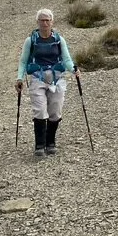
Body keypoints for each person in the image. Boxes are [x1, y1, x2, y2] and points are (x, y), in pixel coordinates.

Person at [15, 9, 79, 156]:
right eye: (42, 20)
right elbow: (23, 61)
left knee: (55, 112)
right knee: (40, 110)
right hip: (37, 79)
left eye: (47, 20)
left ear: (52, 22)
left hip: (57, 79)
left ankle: (51, 143)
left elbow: (66, 59)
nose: (45, 23)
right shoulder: (30, 40)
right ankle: (39, 145)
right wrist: (19, 78)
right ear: (37, 22)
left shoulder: (59, 39)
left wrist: (74, 69)